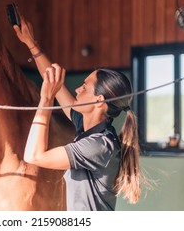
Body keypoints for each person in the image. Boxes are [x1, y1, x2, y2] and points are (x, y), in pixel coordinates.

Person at [12, 11, 142, 211]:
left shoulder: (99, 145)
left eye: (84, 87)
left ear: (99, 101)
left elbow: (34, 156)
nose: (77, 90)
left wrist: (45, 99)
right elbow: (55, 82)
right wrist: (31, 44)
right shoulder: (87, 127)